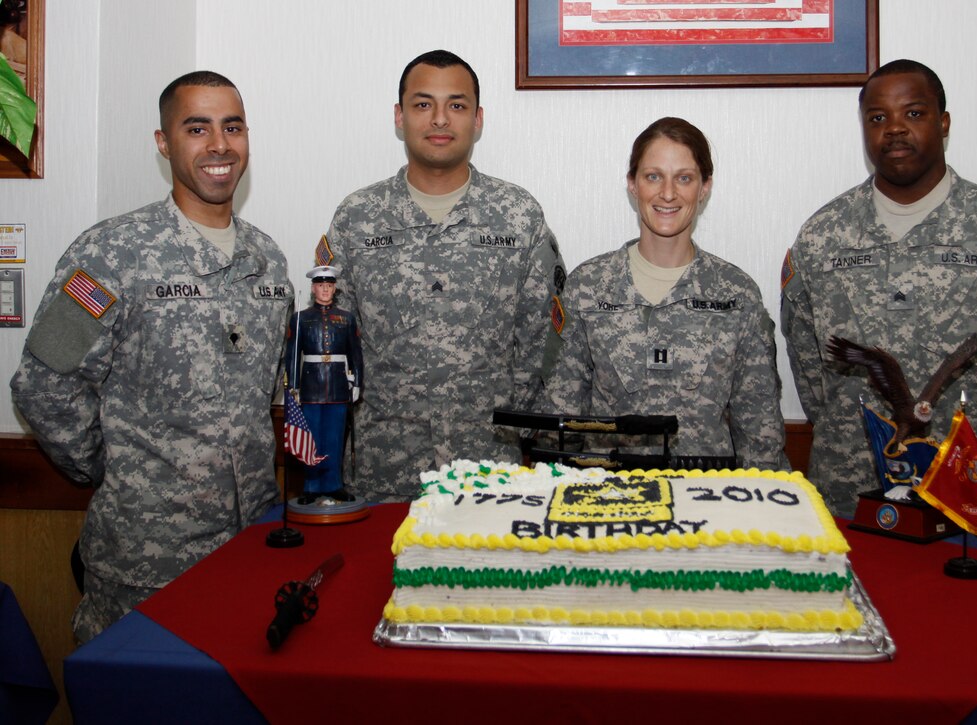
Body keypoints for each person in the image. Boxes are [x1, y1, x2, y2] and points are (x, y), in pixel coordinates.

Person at [10, 71, 292, 641]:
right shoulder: (109, 254)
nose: (219, 145)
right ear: (164, 143)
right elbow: (43, 386)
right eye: (197, 128)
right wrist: (111, 470)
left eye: (231, 127)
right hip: (146, 561)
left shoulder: (268, 262)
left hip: (251, 547)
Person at [781, 59, 977, 571]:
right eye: (877, 118)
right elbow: (811, 370)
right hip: (853, 504)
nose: (894, 128)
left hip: (970, 508)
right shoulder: (821, 238)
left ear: (943, 123)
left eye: (913, 112)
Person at [324, 49, 566, 500]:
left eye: (456, 105)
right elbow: (334, 342)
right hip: (383, 472)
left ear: (477, 119)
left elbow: (544, 344)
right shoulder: (357, 218)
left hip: (491, 471)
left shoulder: (517, 215)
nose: (439, 119)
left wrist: (518, 433)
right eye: (422, 104)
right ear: (399, 117)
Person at [542, 117, 789, 470]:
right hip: (609, 503)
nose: (668, 193)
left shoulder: (737, 294)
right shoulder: (587, 287)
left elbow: (760, 430)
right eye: (653, 176)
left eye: (684, 178)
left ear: (704, 187)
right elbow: (560, 420)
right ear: (632, 184)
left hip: (708, 504)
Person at [284, 265, 363, 504]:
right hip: (310, 386)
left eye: (329, 285)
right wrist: (294, 386)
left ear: (335, 288)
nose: (325, 289)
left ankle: (333, 485)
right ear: (313, 288)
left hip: (339, 385)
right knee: (312, 438)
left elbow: (355, 353)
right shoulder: (300, 319)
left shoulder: (347, 319)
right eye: (320, 285)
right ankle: (311, 486)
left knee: (335, 437)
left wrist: (357, 381)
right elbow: (293, 355)